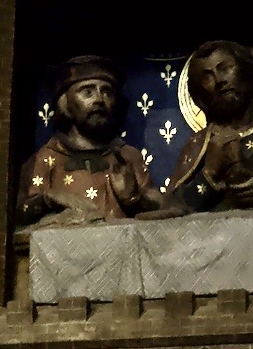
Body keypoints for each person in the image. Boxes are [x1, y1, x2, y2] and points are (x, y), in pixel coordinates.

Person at [17, 55, 158, 227]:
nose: (99, 99)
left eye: (107, 92)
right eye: (87, 92)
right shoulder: (45, 159)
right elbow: (18, 216)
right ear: (65, 104)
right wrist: (48, 200)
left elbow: (161, 213)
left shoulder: (128, 157)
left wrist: (134, 199)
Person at [166, 40, 253, 212]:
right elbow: (173, 208)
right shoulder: (197, 144)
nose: (219, 81)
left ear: (247, 74)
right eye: (207, 77)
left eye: (225, 69)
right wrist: (209, 174)